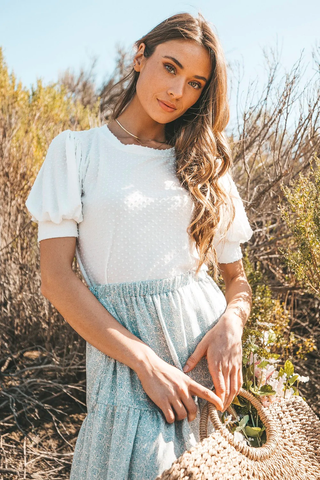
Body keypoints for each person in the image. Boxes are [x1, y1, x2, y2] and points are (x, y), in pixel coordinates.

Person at [25, 11, 253, 480]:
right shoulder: (77, 152)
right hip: (129, 367)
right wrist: (146, 363)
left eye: (195, 83)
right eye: (170, 67)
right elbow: (56, 279)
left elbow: (236, 280)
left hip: (208, 365)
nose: (177, 92)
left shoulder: (205, 161)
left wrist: (233, 322)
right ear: (139, 56)